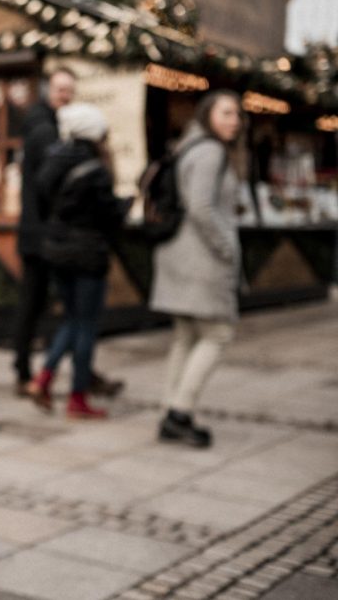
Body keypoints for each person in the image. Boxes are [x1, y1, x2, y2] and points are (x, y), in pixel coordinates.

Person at [13, 67, 124, 399]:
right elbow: (54, 191)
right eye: (60, 89)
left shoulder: (55, 132)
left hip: (53, 235)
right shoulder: (48, 132)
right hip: (50, 235)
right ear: (48, 91)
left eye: (70, 90)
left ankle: (69, 376)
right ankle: (32, 375)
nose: (65, 95)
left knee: (69, 313)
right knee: (50, 309)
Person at [149, 90, 244, 448]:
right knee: (218, 334)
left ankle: (170, 410)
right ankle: (180, 413)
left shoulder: (187, 146)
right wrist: (227, 247)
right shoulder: (211, 151)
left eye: (238, 114)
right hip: (201, 259)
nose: (235, 121)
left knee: (186, 336)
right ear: (208, 114)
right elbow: (201, 207)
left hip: (178, 254)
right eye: (226, 113)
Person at [27, 104, 131, 419]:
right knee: (85, 325)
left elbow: (44, 205)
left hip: (56, 250)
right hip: (87, 254)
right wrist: (126, 203)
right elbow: (109, 215)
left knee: (71, 320)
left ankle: (43, 379)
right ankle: (77, 398)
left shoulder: (52, 162)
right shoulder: (95, 169)